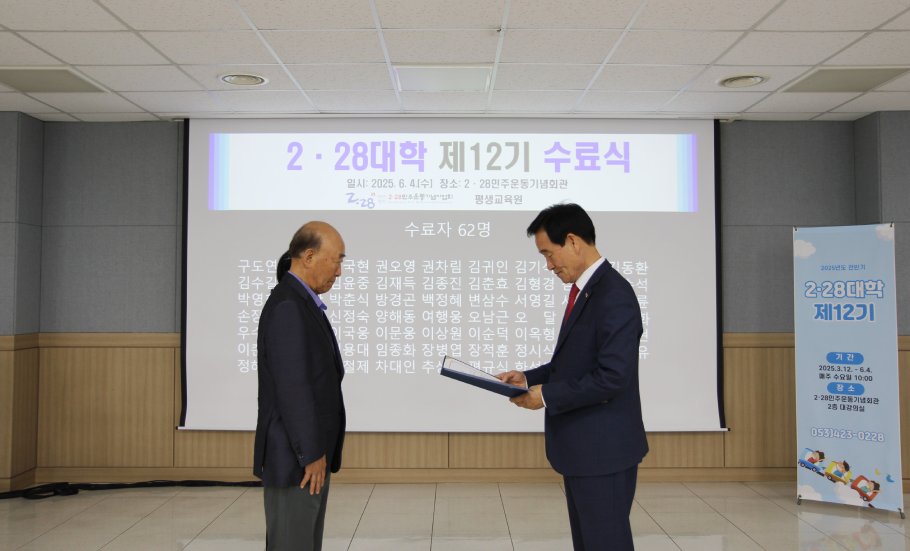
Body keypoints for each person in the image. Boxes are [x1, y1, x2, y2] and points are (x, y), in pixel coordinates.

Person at [497, 203, 648, 551]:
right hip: (586, 449)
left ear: (573, 241)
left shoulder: (613, 294)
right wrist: (526, 378)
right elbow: (572, 363)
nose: (549, 265)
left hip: (603, 451)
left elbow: (612, 377)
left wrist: (546, 396)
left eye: (549, 254)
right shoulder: (589, 291)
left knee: (605, 542)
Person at [253, 221, 347, 551]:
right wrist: (311, 454)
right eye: (336, 261)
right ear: (308, 256)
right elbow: (293, 388)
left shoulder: (302, 303)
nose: (339, 272)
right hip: (297, 460)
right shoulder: (289, 307)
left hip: (306, 456)